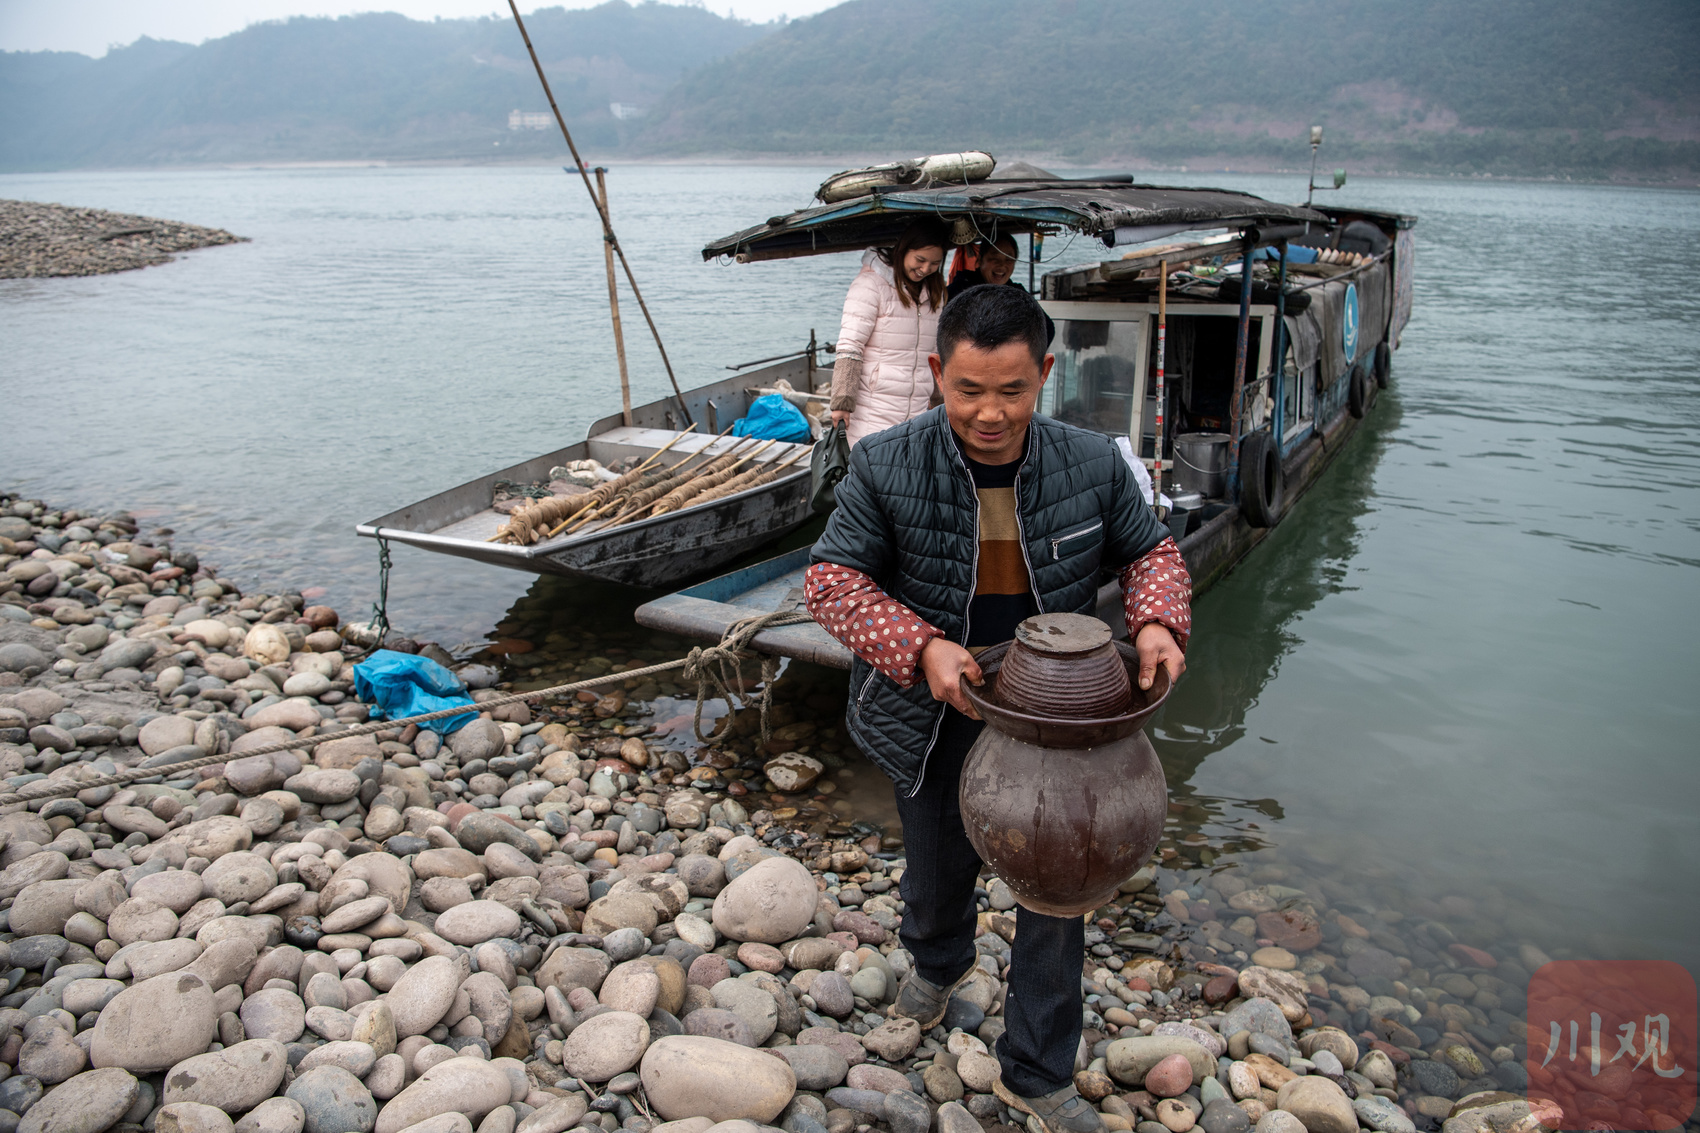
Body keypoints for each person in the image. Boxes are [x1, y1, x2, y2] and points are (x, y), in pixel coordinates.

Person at [805, 284, 1193, 1133]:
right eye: (969, 389)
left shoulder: (1092, 462)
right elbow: (831, 580)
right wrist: (921, 647)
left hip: (1056, 720)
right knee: (936, 860)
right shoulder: (884, 462)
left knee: (1058, 889)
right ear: (937, 371)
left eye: (1012, 390)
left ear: (1045, 374)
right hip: (933, 707)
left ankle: (1037, 1069)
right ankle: (938, 966)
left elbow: (1152, 552)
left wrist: (1158, 621)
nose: (990, 412)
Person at [829, 219, 949, 448]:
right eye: (920, 260)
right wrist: (842, 403)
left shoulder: (935, 293)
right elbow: (850, 346)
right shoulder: (870, 284)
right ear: (903, 249)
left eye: (935, 263)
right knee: (873, 467)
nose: (926, 269)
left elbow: (935, 353)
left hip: (917, 414)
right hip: (874, 410)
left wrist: (939, 402)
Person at [947, 232, 1021, 300]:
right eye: (995, 258)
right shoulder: (959, 290)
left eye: (1008, 259)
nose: (1002, 265)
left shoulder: (1018, 295)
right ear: (980, 260)